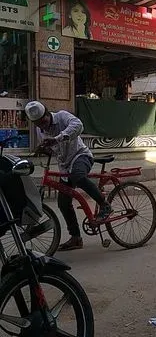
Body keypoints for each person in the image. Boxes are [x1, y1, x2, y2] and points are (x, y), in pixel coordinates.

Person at [25, 101, 111, 251]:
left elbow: (78, 126)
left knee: (78, 176)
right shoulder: (41, 131)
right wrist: (45, 149)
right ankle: (76, 238)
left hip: (80, 156)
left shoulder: (62, 116)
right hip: (65, 165)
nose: (42, 126)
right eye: (38, 124)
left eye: (43, 121)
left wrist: (58, 138)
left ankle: (105, 205)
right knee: (63, 203)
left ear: (47, 113)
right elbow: (54, 150)